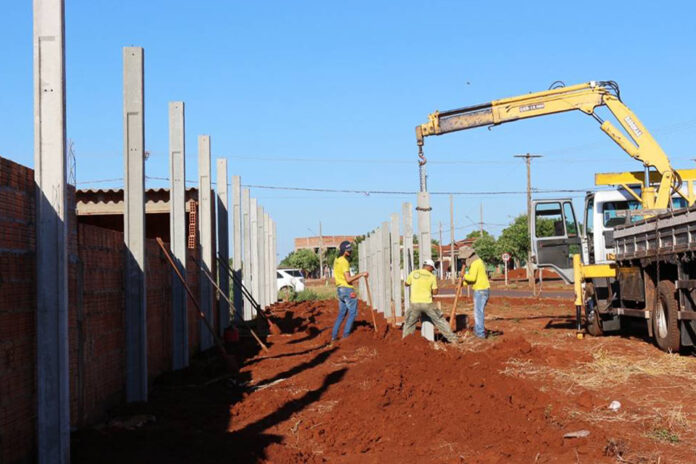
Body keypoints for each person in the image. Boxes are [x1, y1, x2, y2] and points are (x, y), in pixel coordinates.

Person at [402, 259, 460, 343]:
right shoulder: (432, 277)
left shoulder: (414, 273)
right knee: (440, 321)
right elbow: (435, 292)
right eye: (432, 269)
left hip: (414, 304)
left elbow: (406, 284)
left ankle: (405, 342)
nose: (432, 270)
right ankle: (453, 340)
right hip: (427, 304)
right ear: (429, 267)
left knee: (409, 323)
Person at [331, 241, 368, 342]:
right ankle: (345, 336)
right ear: (344, 251)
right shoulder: (344, 262)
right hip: (347, 289)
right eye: (349, 250)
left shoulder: (336, 260)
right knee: (353, 313)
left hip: (340, 290)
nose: (350, 252)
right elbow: (348, 279)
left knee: (342, 313)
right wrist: (361, 274)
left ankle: (334, 336)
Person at [459, 246, 490, 338]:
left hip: (480, 290)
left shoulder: (476, 263)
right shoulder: (476, 262)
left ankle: (480, 334)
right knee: (478, 312)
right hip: (482, 289)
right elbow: (472, 279)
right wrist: (462, 284)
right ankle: (478, 332)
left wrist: (463, 276)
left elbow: (472, 278)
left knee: (478, 313)